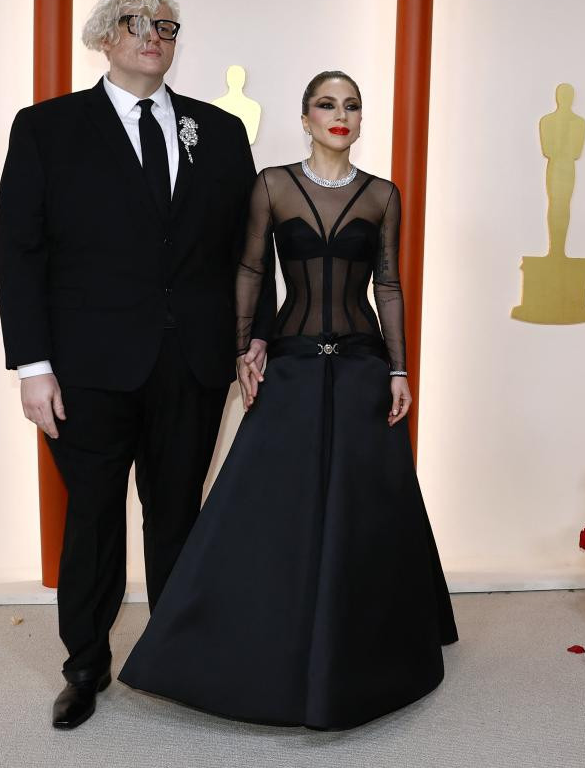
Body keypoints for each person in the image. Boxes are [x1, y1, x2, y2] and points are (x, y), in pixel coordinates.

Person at [119, 71, 458, 730]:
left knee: (370, 509)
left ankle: (370, 648)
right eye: (327, 104)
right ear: (305, 118)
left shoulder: (382, 195)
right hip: (295, 364)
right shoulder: (272, 185)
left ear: (361, 121)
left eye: (352, 105)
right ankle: (228, 638)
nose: (341, 114)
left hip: (362, 368)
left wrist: (400, 368)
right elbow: (250, 268)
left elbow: (387, 284)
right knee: (262, 505)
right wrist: (246, 346)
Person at [0, 0, 271, 730]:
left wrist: (257, 334)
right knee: (92, 518)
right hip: (85, 367)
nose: (153, 34)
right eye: (135, 21)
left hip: (193, 362)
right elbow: (19, 252)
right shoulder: (46, 128)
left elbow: (248, 249)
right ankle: (85, 664)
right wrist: (32, 365)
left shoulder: (217, 132)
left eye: (168, 26)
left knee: (178, 514)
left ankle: (177, 657)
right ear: (103, 36)